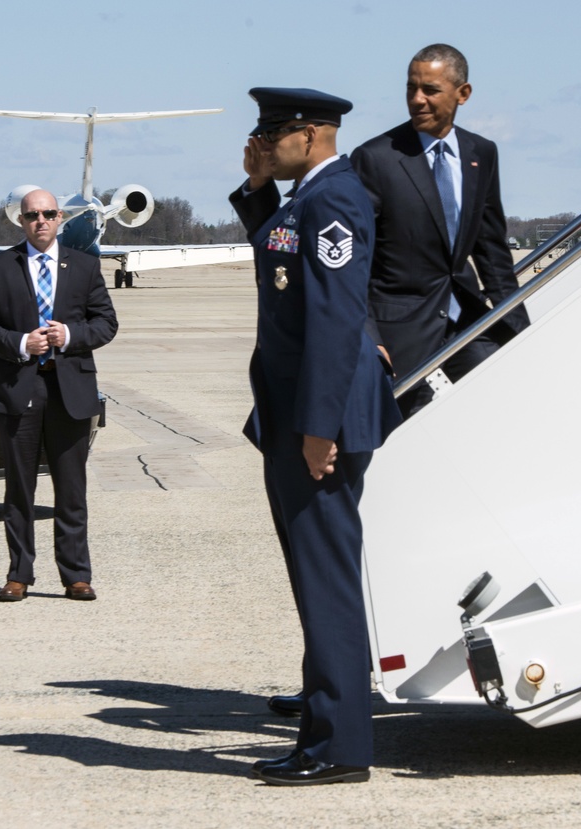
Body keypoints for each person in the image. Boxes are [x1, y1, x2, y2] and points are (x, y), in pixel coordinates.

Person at [229, 88, 402, 785]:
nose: (265, 142)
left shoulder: (334, 199)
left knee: (325, 577)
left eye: (274, 133)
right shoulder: (305, 196)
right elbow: (278, 259)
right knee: (316, 574)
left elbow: (333, 320)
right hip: (297, 407)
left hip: (314, 416)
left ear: (311, 133)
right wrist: (256, 188)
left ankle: (339, 746)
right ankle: (322, 734)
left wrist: (318, 429)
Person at [350, 43, 530, 417]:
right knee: (407, 432)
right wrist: (368, 336)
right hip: (400, 326)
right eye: (410, 88)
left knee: (503, 405)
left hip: (464, 317)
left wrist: (519, 328)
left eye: (430, 90)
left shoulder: (481, 152)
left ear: (462, 94)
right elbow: (355, 258)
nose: (417, 100)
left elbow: (491, 249)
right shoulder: (376, 157)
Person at [0, 189, 117, 602]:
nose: (41, 221)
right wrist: (20, 343)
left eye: (49, 213)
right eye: (32, 215)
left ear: (59, 219)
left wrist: (69, 336)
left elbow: (106, 323)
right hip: (20, 388)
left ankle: (76, 575)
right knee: (19, 488)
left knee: (72, 488)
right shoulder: (0, 266)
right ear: (21, 220)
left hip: (70, 389)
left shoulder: (85, 267)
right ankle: (19, 574)